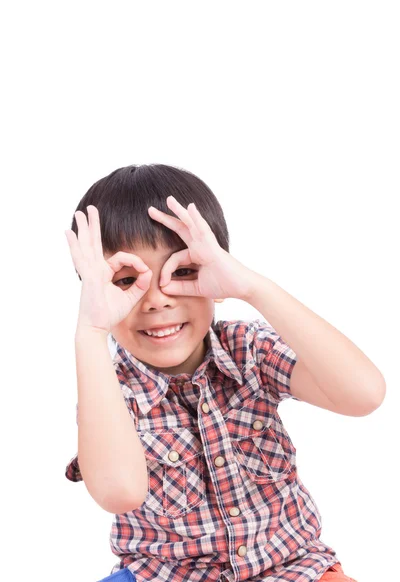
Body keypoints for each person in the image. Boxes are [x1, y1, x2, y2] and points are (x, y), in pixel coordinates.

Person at [65, 164, 384, 582]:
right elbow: (118, 492)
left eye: (182, 271)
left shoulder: (248, 350)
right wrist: (90, 331)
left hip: (291, 570)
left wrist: (253, 287)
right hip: (163, 575)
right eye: (126, 281)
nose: (157, 300)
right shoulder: (110, 391)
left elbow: (364, 394)